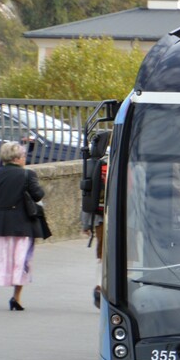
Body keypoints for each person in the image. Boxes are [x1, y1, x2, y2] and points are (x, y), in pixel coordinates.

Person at [0, 141, 45, 311]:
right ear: (18, 158)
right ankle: (16, 298)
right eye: (24, 156)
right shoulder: (28, 175)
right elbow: (38, 195)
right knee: (20, 261)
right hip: (22, 225)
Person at [82, 130, 111, 309]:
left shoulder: (95, 164)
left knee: (102, 256)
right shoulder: (129, 159)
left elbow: (87, 194)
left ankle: (99, 286)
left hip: (101, 218)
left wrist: (86, 223)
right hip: (127, 217)